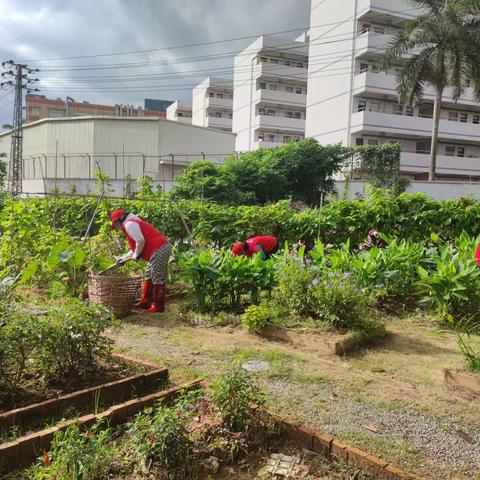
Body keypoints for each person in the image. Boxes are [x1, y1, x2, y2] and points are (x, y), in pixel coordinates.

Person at [111, 210, 172, 313]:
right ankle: (146, 302)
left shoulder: (129, 224)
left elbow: (140, 240)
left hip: (159, 248)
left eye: (116, 224)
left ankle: (159, 306)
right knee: (149, 275)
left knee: (157, 276)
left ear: (120, 220)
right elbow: (134, 248)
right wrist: (123, 258)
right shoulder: (131, 224)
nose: (117, 227)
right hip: (157, 249)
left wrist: (137, 254)